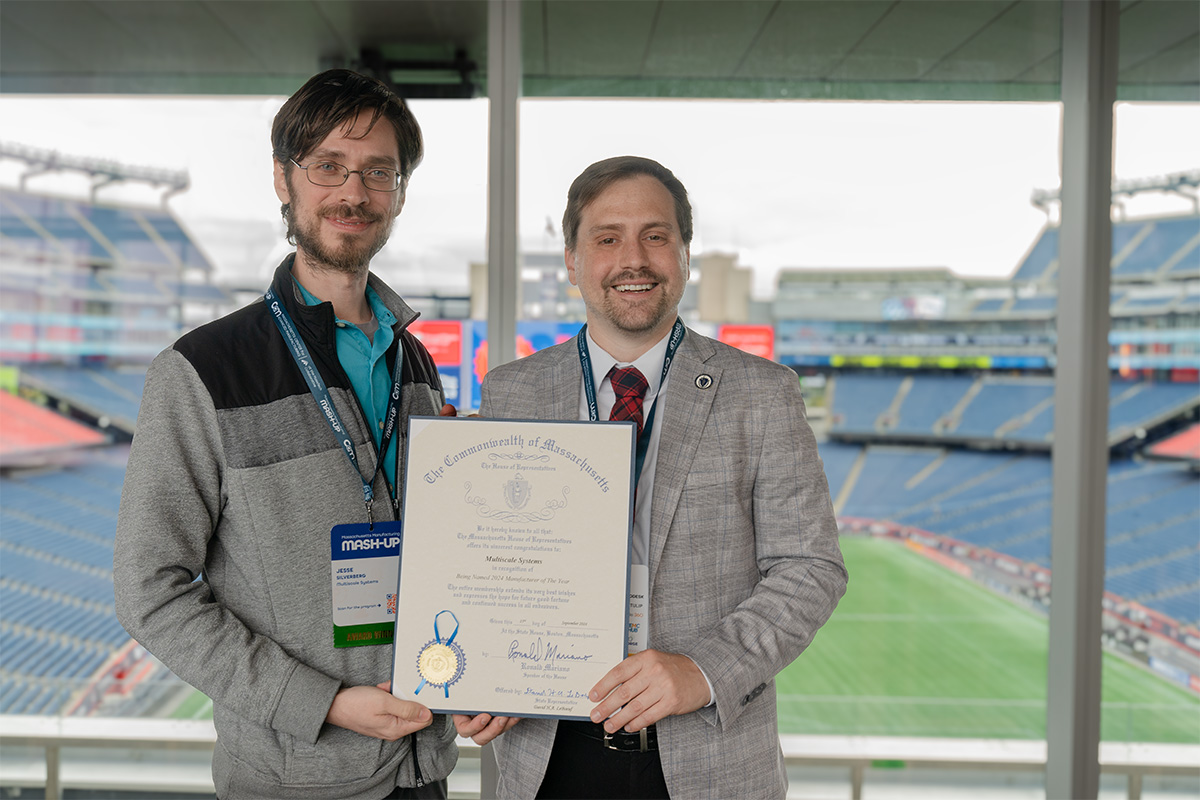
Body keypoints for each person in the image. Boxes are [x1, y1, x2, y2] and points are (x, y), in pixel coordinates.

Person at [455, 156, 848, 799]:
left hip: (706, 761)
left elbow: (811, 567)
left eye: (655, 236)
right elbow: (489, 565)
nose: (632, 259)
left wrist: (702, 670)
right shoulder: (511, 391)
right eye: (607, 238)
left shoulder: (762, 393)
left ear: (684, 254)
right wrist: (483, 677)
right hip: (547, 758)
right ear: (573, 262)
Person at [114, 70, 457, 800]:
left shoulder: (416, 362)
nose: (353, 192)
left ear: (398, 192)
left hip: (424, 768)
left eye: (378, 171)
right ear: (283, 178)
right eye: (328, 165)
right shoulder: (203, 370)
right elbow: (149, 590)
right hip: (293, 779)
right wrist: (322, 704)